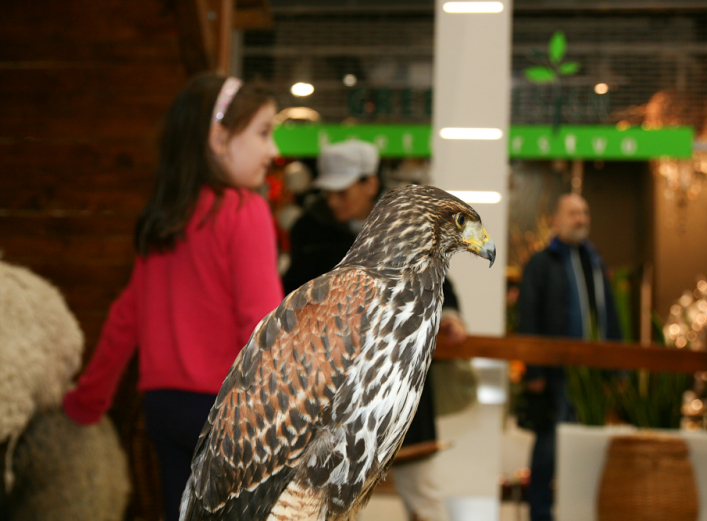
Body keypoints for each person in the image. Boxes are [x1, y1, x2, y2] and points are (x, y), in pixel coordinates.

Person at [62, 73, 284, 521]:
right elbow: (262, 328)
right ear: (219, 139)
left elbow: (125, 318)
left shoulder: (166, 217)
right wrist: (286, 417)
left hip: (164, 410)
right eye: (263, 133)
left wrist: (87, 402)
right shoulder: (244, 209)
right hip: (230, 413)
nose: (274, 151)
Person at [282, 140, 467, 521]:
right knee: (333, 498)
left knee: (423, 491)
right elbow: (290, 297)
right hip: (335, 389)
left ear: (370, 183)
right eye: (329, 191)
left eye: (343, 190)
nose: (334, 201)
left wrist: (449, 314)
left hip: (399, 385)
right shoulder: (308, 230)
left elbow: (439, 279)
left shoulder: (410, 226)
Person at [517, 193, 622, 521]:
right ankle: (541, 514)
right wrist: (534, 369)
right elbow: (528, 316)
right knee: (548, 447)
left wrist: (617, 370)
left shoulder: (595, 261)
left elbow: (611, 315)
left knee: (585, 446)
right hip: (555, 372)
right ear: (556, 221)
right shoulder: (541, 262)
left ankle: (578, 511)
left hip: (593, 375)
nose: (581, 219)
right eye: (573, 213)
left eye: (585, 212)